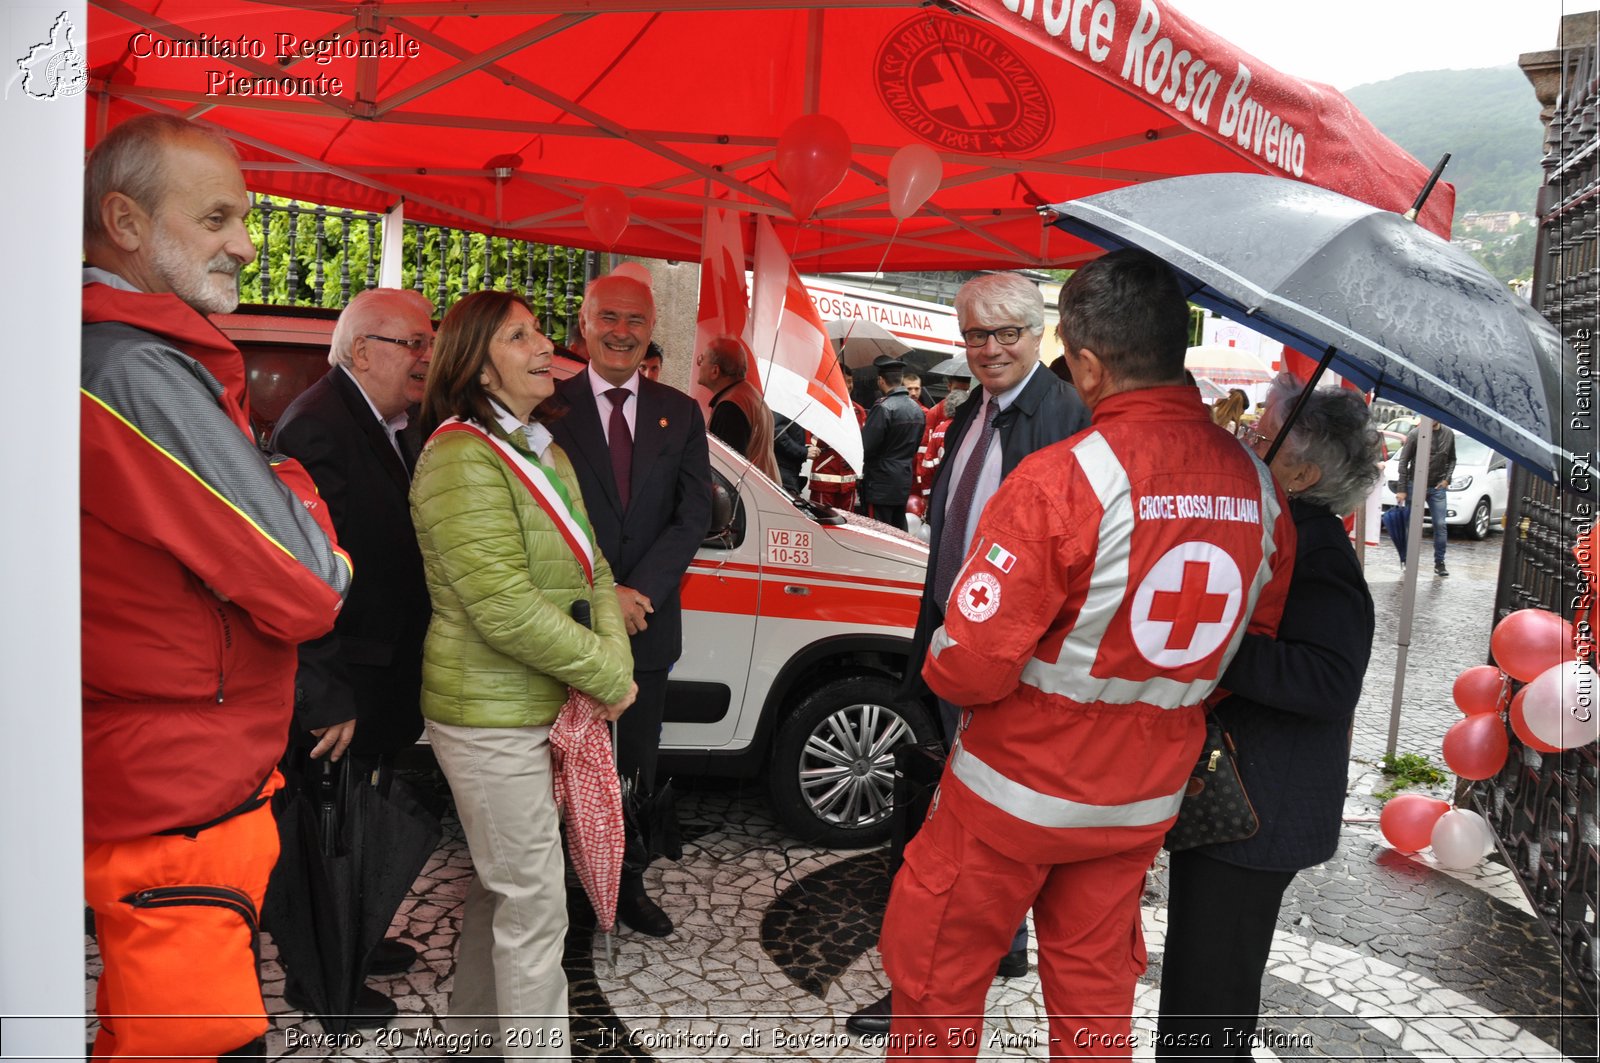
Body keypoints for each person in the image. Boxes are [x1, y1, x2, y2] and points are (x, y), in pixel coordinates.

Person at [878, 250, 1295, 1059]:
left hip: (1012, 794)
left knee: (936, 975)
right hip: (1138, 803)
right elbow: (1252, 638)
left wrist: (947, 653)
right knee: (1096, 995)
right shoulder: (1259, 486)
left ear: (1091, 364)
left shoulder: (1062, 480)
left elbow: (968, 664)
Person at [81, 113, 353, 1058]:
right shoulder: (135, 370)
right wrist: (294, 489)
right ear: (124, 221)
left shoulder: (131, 357)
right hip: (175, 805)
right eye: (217, 218)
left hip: (167, 784)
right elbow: (311, 583)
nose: (245, 241)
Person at [847, 271, 1090, 1036]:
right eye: (975, 335)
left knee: (972, 830)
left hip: (1014, 663)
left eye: (1005, 333)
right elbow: (951, 541)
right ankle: (1000, 945)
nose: (988, 349)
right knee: (958, 812)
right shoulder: (969, 414)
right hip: (956, 646)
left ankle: (947, 977)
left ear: (1038, 331)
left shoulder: (1066, 420)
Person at [410, 290, 637, 1054]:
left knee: (502, 886)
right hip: (486, 714)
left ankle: (476, 1037)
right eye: (520, 335)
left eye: (540, 330)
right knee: (534, 902)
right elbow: (500, 605)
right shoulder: (458, 455)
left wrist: (614, 659)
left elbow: (595, 570)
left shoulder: (545, 449)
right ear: (476, 363)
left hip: (537, 703)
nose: (546, 345)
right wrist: (607, 676)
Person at [1157, 373, 1379, 1059]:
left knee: (1209, 985)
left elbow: (1331, 679)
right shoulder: (1281, 528)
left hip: (1260, 810)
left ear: (1304, 469)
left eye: (1264, 434)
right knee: (1205, 979)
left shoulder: (1319, 553)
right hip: (1236, 798)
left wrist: (1219, 648)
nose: (1250, 438)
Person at [269, 287, 437, 1022]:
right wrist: (324, 688)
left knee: (359, 819)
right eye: (415, 344)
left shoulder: (389, 425)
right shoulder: (319, 426)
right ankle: (320, 977)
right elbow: (302, 572)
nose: (426, 360)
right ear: (364, 348)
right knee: (324, 829)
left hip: (383, 670)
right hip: (344, 681)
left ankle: (358, 936)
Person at [548, 274, 713, 937]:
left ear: (651, 331)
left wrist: (638, 592)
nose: (621, 330)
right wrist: (602, 594)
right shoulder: (547, 408)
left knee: (634, 766)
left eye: (634, 320)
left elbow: (693, 512)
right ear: (583, 324)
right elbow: (545, 511)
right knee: (560, 761)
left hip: (646, 626)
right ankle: (561, 890)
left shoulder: (682, 411)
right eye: (607, 317)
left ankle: (627, 882)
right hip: (568, 623)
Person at [698, 333, 781, 482]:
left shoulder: (731, 408)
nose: (699, 364)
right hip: (762, 493)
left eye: (702, 359)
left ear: (715, 371)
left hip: (749, 498)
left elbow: (725, 471)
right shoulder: (748, 396)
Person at [857, 358, 925, 530]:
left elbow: (865, 448)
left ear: (881, 380)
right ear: (901, 380)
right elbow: (915, 446)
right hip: (902, 480)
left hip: (880, 483)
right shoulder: (916, 409)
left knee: (878, 532)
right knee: (898, 531)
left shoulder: (883, 408)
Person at [1396, 417, 1456, 577]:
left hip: (1437, 487)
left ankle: (1439, 562)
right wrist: (1402, 488)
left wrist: (1446, 479)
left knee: (1440, 524)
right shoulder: (1415, 434)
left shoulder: (1448, 434)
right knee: (1411, 524)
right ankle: (1408, 560)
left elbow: (1452, 459)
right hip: (1415, 484)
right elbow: (1403, 462)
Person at [772, 411, 809, 495]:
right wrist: (804, 452)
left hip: (787, 472)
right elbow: (778, 435)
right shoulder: (784, 405)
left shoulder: (791, 406)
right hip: (783, 472)